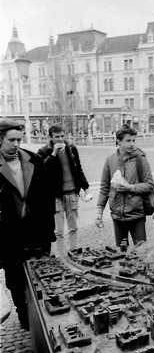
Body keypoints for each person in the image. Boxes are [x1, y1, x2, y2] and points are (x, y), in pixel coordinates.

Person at [0, 119, 56, 330]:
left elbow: (48, 195)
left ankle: (44, 314)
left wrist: (48, 228)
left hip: (37, 232)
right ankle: (24, 315)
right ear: (1, 139)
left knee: (42, 275)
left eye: (19, 139)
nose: (16, 144)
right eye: (11, 140)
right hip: (9, 236)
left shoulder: (33, 159)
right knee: (15, 280)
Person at [95, 126, 154, 249]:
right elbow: (105, 187)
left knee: (141, 252)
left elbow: (150, 184)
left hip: (136, 215)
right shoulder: (110, 160)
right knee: (121, 254)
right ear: (118, 141)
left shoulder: (140, 159)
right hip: (117, 216)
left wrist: (131, 187)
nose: (132, 144)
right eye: (128, 141)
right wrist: (99, 212)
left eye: (134, 140)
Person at [38, 123, 91, 254]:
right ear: (50, 137)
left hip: (72, 192)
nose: (60, 139)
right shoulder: (44, 151)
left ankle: (73, 252)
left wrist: (86, 187)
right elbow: (41, 171)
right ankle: (61, 256)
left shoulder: (71, 149)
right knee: (59, 230)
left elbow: (78, 169)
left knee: (73, 227)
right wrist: (54, 153)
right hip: (56, 196)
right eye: (57, 137)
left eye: (62, 136)